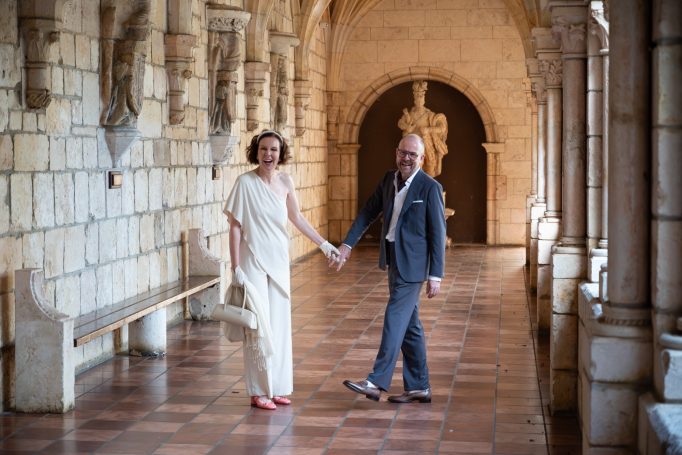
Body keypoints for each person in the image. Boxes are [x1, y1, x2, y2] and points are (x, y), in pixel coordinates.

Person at [223, 130, 340, 410]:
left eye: (274, 150)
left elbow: (296, 218)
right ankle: (258, 391)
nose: (268, 155)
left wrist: (324, 245)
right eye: (263, 149)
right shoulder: (244, 183)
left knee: (279, 327)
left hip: (278, 260)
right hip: (251, 263)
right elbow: (235, 227)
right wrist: (235, 267)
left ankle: (277, 387)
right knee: (258, 328)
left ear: (280, 153)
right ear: (256, 151)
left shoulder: (286, 181)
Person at [333, 133, 446, 403]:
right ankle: (419, 385)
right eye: (402, 153)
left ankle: (376, 381)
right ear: (397, 152)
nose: (406, 159)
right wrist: (348, 244)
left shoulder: (429, 187)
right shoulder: (388, 180)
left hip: (415, 266)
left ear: (422, 158)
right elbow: (367, 212)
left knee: (394, 317)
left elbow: (438, 233)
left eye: (412, 155)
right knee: (410, 326)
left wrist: (435, 275)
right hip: (393, 258)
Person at [397, 80, 448, 177]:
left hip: (426, 145)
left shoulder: (430, 115)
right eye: (417, 96)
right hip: (412, 147)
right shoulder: (410, 114)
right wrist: (407, 128)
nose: (419, 99)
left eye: (421, 96)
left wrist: (429, 129)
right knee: (413, 170)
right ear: (414, 98)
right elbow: (400, 123)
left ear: (424, 98)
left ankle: (428, 189)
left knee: (430, 169)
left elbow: (442, 128)